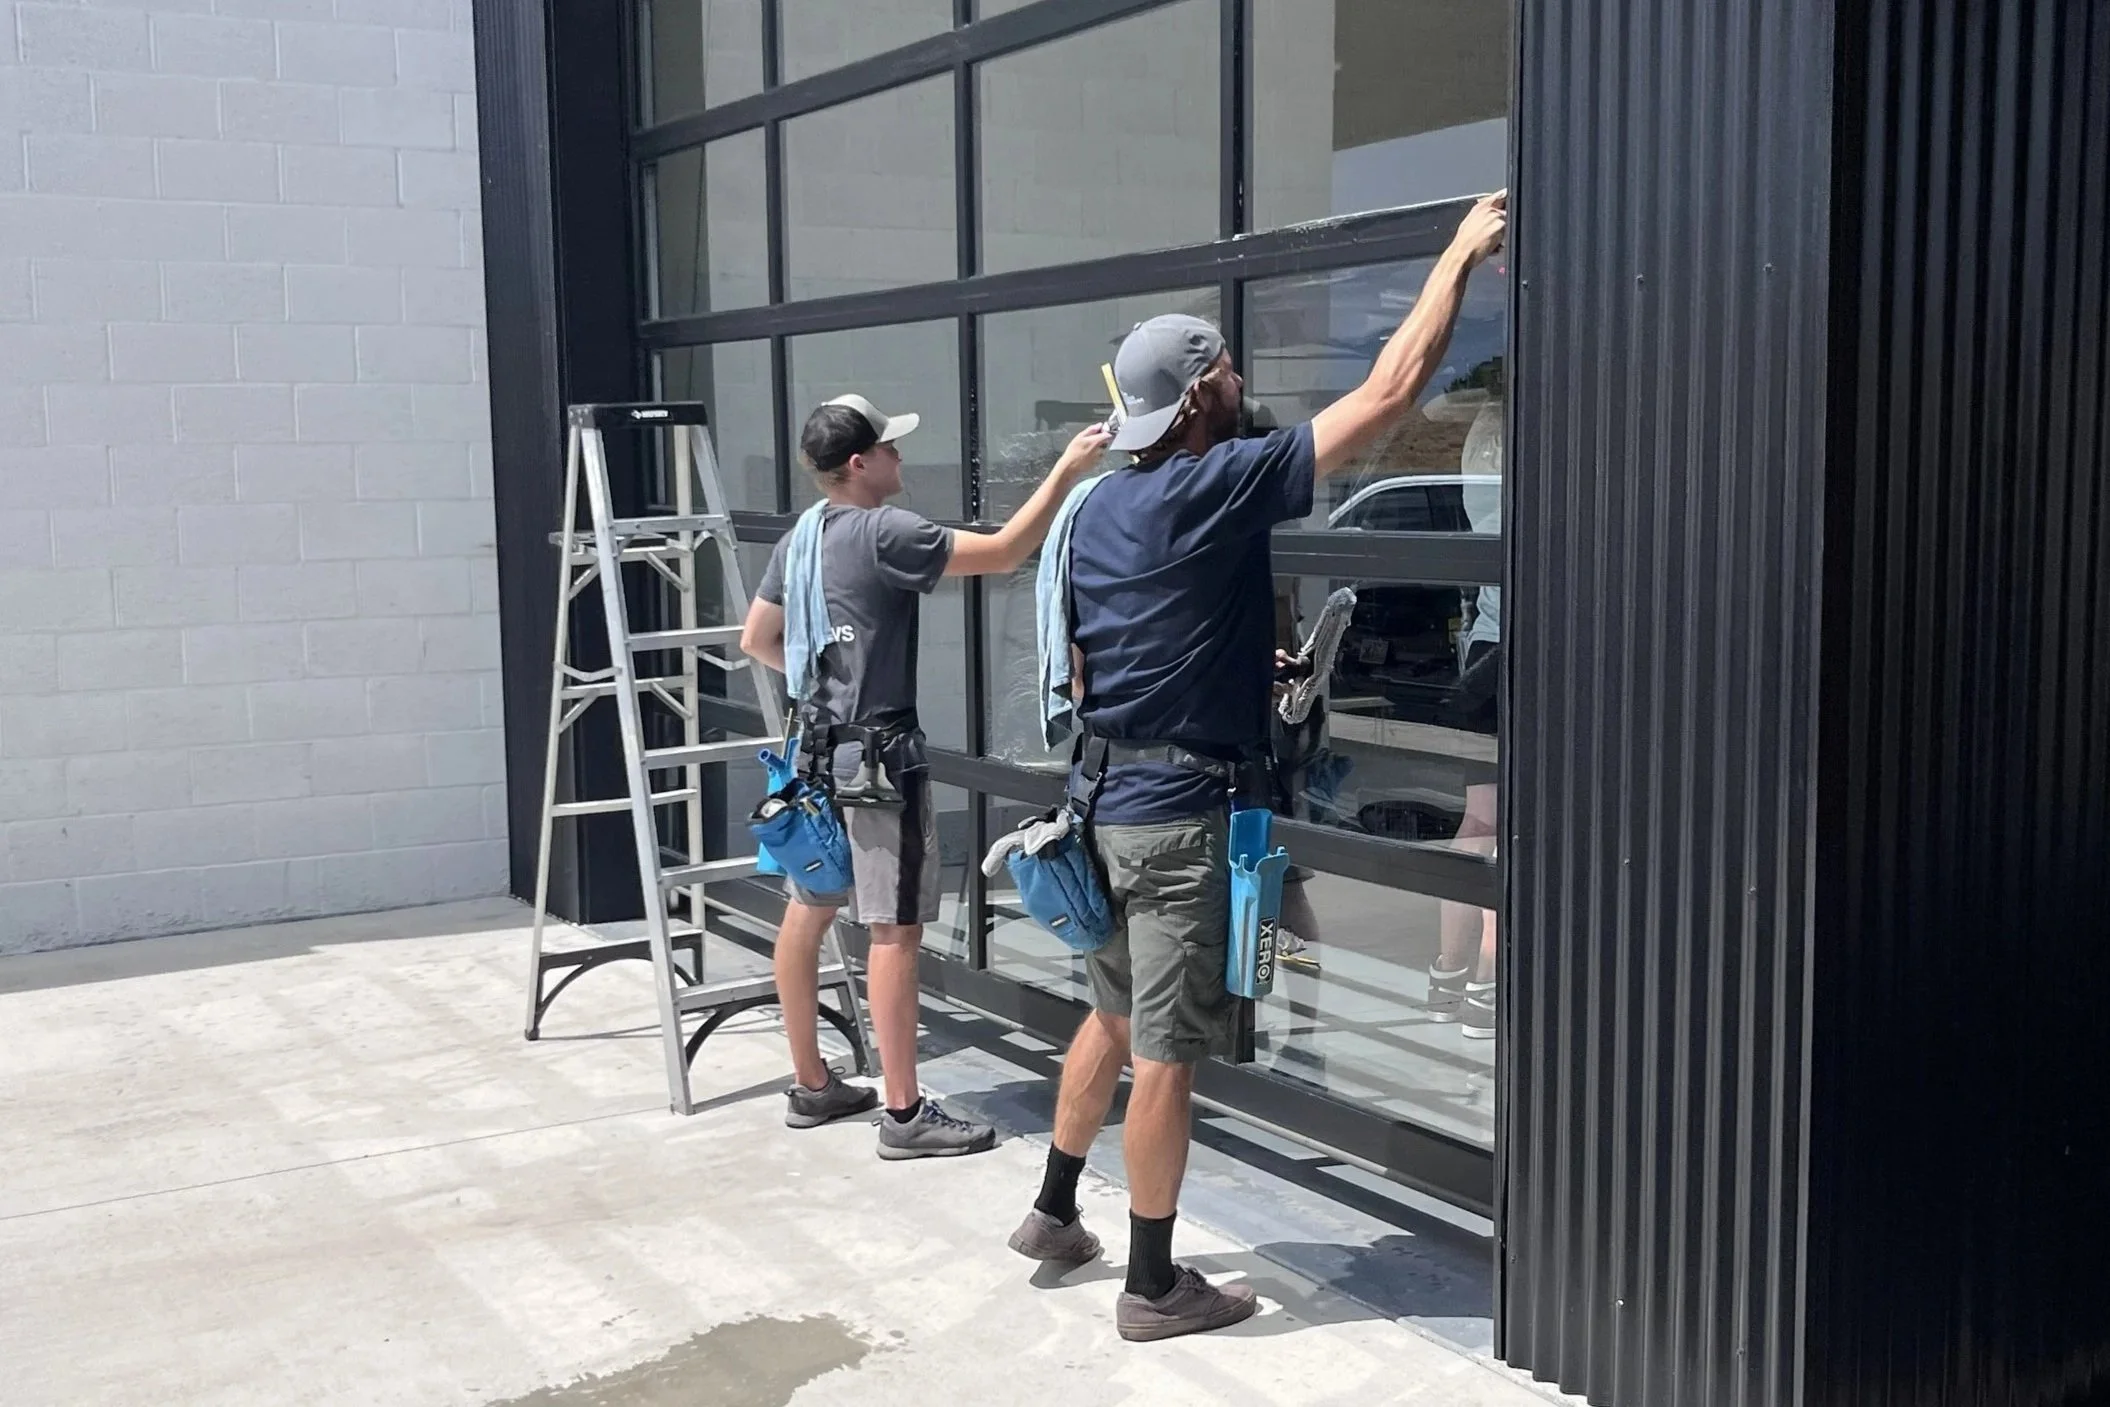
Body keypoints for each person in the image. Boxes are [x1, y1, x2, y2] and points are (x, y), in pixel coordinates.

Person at [1009, 193, 1508, 1341]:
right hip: (1177, 821)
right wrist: (1453, 257)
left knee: (1112, 1016)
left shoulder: (1100, 507)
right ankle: (1151, 1286)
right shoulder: (1212, 482)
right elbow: (1388, 394)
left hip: (1105, 799)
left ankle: (1053, 1210)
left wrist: (1234, 664)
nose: (1240, 381)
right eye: (1227, 369)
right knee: (1168, 1057)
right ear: (1198, 398)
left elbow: (1110, 648)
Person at [741, 393, 1111, 1159]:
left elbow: (757, 638)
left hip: (815, 755)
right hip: (879, 764)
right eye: (890, 448)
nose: (900, 457)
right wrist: (1069, 470)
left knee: (808, 908)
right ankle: (905, 1115)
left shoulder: (803, 536)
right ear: (859, 463)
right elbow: (1005, 552)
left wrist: (823, 686)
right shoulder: (885, 531)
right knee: (895, 930)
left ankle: (812, 1084)